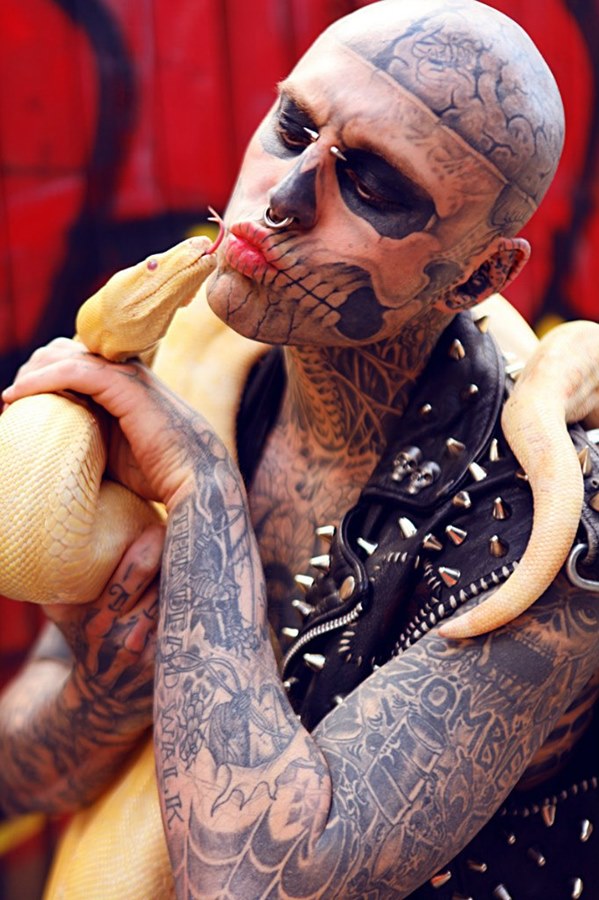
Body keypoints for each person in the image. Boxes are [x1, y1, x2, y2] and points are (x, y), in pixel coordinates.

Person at [2, 1, 599, 897]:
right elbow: (17, 775)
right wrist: (103, 698)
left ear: (480, 275)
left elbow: (257, 881)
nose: (281, 198)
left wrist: (202, 490)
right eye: (293, 126)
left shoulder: (549, 526)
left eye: (374, 186)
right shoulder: (181, 362)